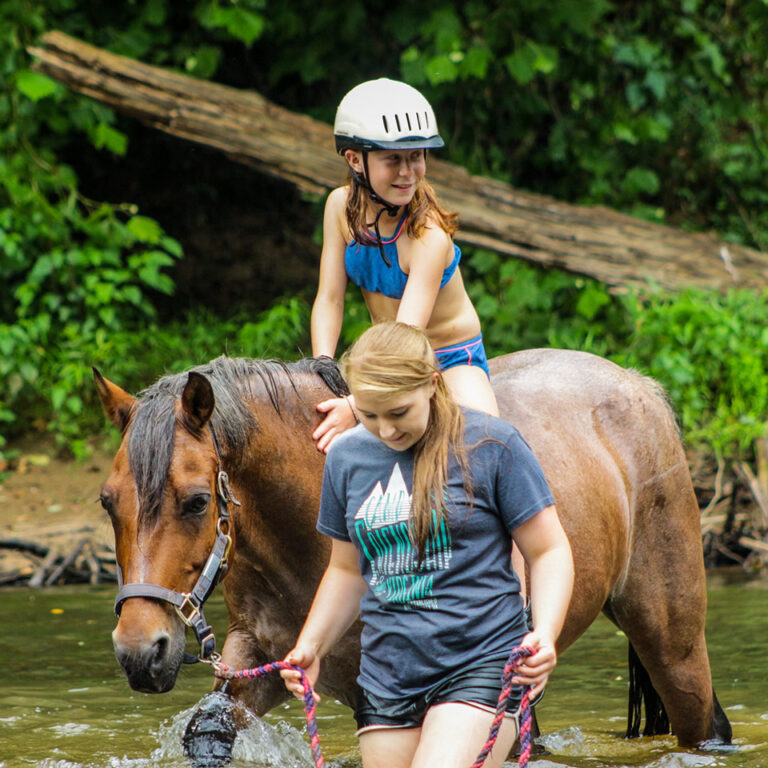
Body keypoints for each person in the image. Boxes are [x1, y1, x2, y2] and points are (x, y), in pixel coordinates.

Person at [282, 322, 574, 768]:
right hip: (388, 675)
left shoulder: (492, 444)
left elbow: (549, 549)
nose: (386, 430)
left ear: (432, 385)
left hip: (482, 660)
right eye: (370, 414)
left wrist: (546, 634)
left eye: (398, 413)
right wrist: (311, 646)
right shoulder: (346, 457)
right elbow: (345, 571)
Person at [311, 77, 499, 455]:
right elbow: (330, 299)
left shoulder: (429, 236)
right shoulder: (338, 208)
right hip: (383, 357)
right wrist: (321, 367)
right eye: (393, 159)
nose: (408, 171)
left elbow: (406, 340)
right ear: (355, 159)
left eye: (417, 156)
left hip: (446, 359)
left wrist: (356, 406)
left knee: (485, 446)